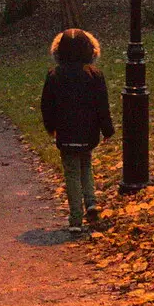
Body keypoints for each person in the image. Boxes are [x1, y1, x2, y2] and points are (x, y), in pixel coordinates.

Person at [39, 28, 114, 236]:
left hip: (66, 132)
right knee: (86, 164)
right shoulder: (94, 75)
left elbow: (47, 105)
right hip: (88, 132)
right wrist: (107, 129)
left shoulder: (54, 75)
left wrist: (50, 127)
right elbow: (102, 105)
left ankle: (75, 218)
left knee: (72, 172)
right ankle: (91, 202)